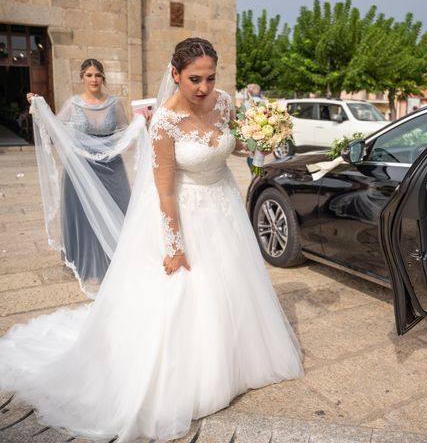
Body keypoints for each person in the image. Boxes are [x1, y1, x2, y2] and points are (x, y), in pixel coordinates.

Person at [0, 38, 303, 442]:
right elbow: (164, 191)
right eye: (194, 79)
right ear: (175, 74)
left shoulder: (225, 103)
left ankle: (239, 360)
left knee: (234, 285)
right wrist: (174, 247)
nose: (204, 88)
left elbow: (226, 145)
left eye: (211, 78)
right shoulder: (165, 120)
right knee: (192, 292)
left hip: (224, 206)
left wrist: (258, 139)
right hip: (187, 211)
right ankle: (202, 373)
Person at [27, 59, 137, 297]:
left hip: (111, 168)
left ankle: (117, 262)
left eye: (98, 75)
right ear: (82, 77)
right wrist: (38, 105)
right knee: (85, 216)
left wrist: (142, 122)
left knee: (116, 211)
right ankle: (91, 269)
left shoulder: (115, 104)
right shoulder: (72, 104)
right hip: (81, 168)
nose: (94, 79)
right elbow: (53, 126)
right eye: (89, 75)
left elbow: (125, 134)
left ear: (103, 78)